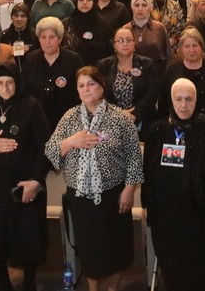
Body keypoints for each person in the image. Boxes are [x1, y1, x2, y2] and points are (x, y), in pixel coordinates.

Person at [44, 67, 144, 289]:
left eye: (91, 84)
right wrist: (71, 142)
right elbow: (50, 151)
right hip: (81, 198)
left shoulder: (119, 117)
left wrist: (129, 189)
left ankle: (113, 288)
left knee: (115, 248)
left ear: (102, 87)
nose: (86, 89)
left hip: (113, 196)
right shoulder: (69, 117)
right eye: (81, 85)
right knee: (90, 250)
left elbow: (134, 157)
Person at [142, 78, 205, 291]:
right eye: (178, 99)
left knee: (203, 271)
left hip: (202, 213)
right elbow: (147, 172)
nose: (183, 105)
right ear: (171, 100)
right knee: (174, 270)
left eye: (189, 99)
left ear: (196, 100)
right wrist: (146, 203)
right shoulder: (157, 130)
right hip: (167, 216)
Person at [0, 62, 51, 291]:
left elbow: (45, 146)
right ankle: (3, 283)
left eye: (10, 82)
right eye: (0, 83)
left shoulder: (31, 105)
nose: (5, 88)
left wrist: (37, 180)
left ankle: (29, 283)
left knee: (28, 235)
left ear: (18, 82)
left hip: (24, 183)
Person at [20, 16, 81, 131]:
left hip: (66, 120)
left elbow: (79, 91)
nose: (47, 42)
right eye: (43, 37)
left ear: (60, 39)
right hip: (37, 120)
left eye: (52, 37)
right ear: (39, 39)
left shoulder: (73, 59)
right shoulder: (31, 59)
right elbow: (24, 90)